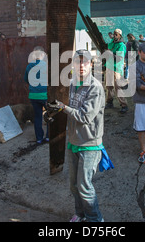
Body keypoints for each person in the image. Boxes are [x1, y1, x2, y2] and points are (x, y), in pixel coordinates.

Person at [48, 49, 105, 222]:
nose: (81, 65)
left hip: (89, 143)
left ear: (91, 64)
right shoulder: (71, 84)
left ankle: (95, 220)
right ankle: (81, 214)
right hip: (73, 141)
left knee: (84, 186)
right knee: (74, 186)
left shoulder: (95, 87)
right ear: (72, 64)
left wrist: (63, 108)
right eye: (77, 62)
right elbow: (65, 106)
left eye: (85, 62)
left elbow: (85, 117)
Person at [24, 46, 48, 144]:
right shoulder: (46, 65)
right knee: (50, 115)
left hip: (33, 96)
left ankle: (39, 138)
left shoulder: (29, 66)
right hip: (45, 95)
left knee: (37, 117)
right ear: (43, 54)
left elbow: (26, 79)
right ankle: (48, 137)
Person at [105, 29, 128, 113]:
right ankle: (109, 102)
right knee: (109, 86)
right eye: (114, 34)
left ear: (120, 36)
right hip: (109, 66)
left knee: (118, 87)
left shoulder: (121, 45)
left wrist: (109, 54)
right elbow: (109, 47)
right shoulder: (113, 43)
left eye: (116, 34)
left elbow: (119, 58)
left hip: (116, 68)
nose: (114, 36)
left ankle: (124, 104)